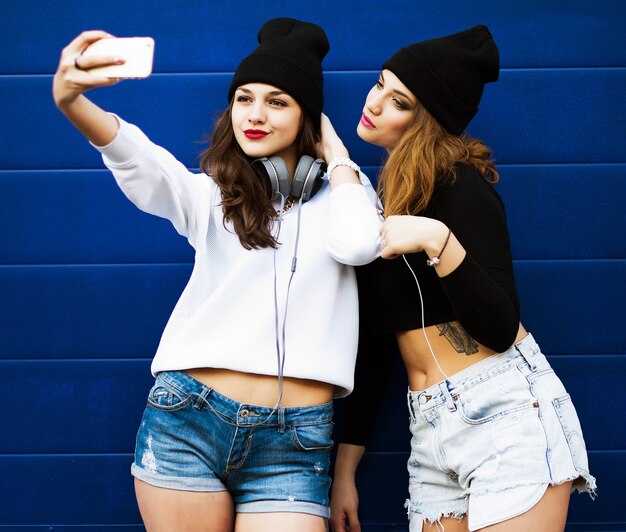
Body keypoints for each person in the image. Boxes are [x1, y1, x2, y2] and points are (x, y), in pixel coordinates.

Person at [53, 18, 382, 532]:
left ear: (309, 117)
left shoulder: (347, 195)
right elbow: (142, 162)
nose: (255, 115)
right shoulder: (211, 196)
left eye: (277, 102)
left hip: (294, 441)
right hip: (188, 419)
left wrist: (338, 158)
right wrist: (73, 102)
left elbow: (361, 245)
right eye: (244, 98)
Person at [329, 25, 596, 532]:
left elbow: (499, 325)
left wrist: (438, 241)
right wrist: (346, 470)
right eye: (378, 84)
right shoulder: (388, 204)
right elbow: (379, 347)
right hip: (430, 428)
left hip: (504, 412)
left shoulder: (461, 187)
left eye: (399, 100)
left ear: (428, 119)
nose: (377, 102)